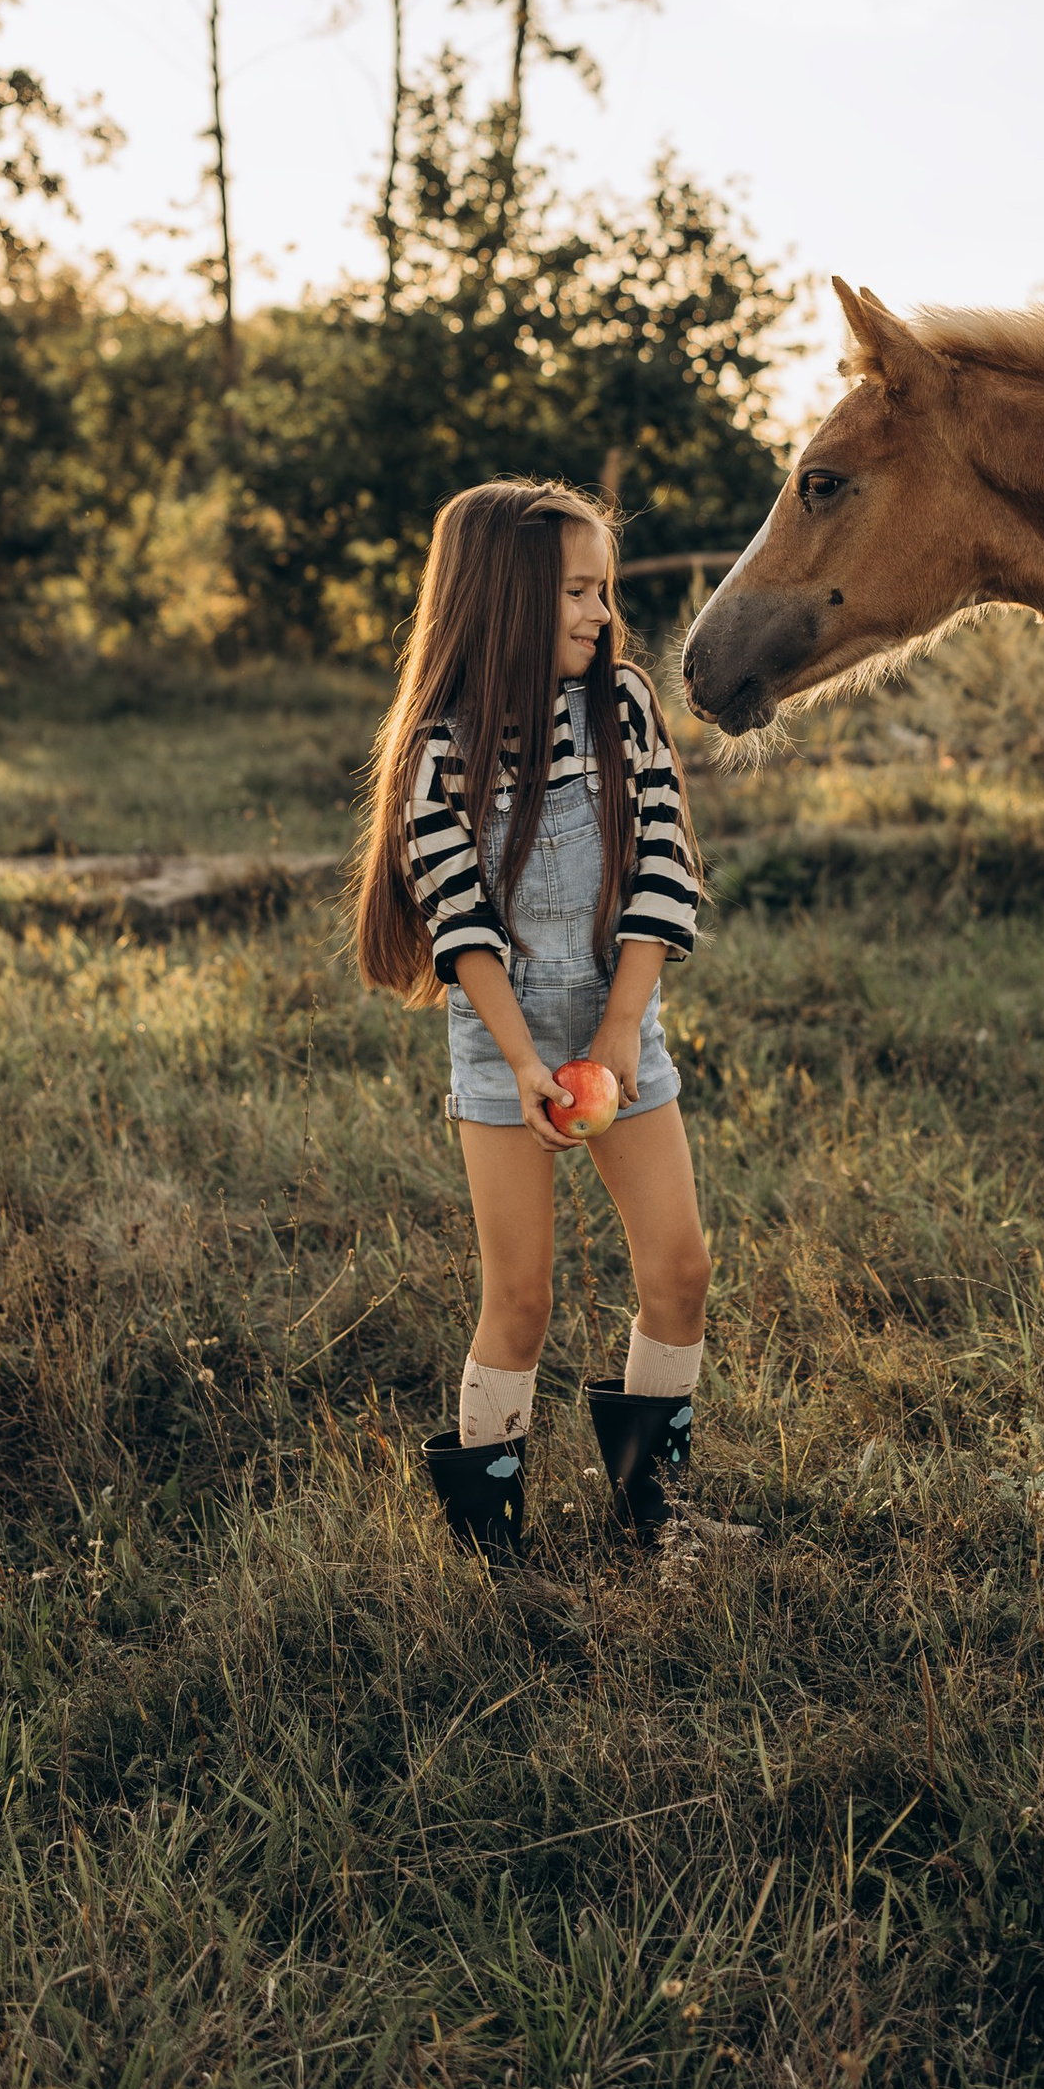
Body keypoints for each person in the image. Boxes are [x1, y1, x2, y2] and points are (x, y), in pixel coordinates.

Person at [353, 478, 743, 1571]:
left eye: (603, 591)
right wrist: (525, 1061)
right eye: (575, 591)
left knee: (680, 1270)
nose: (598, 613)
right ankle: (494, 1560)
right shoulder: (443, 746)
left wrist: (620, 1032)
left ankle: (653, 1517)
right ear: (506, 597)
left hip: (620, 1028)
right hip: (502, 1045)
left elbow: (663, 864)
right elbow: (459, 919)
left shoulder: (620, 704)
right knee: (519, 1299)